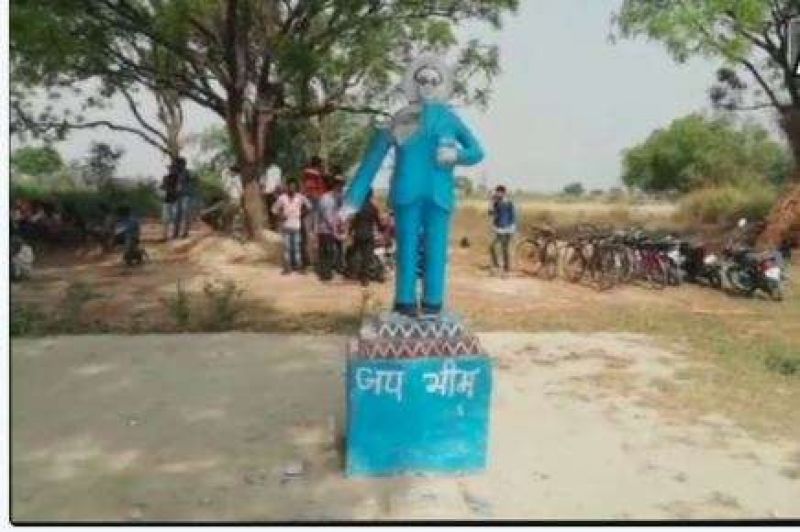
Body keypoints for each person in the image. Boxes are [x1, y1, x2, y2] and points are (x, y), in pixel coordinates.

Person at [272, 180, 311, 275]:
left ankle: (298, 267)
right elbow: (273, 209)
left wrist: (302, 214)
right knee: (287, 248)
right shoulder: (282, 198)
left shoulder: (300, 197)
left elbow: (309, 206)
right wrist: (280, 215)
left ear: (296, 188)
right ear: (287, 187)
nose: (291, 188)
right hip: (286, 226)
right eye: (290, 186)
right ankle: (287, 268)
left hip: (296, 226)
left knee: (297, 247)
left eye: (293, 186)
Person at [349, 189, 385, 286]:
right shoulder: (373, 208)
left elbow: (354, 222)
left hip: (358, 234)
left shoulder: (358, 207)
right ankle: (364, 279)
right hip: (368, 235)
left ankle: (353, 273)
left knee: (355, 254)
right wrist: (382, 229)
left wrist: (350, 231)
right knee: (366, 257)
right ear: (370, 196)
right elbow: (378, 223)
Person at [316, 174, 345, 281]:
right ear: (335, 185)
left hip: (334, 229)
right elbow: (328, 218)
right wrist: (336, 232)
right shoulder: (326, 199)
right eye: (340, 185)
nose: (341, 188)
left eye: (342, 185)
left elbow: (341, 214)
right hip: (325, 230)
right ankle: (325, 274)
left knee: (335, 251)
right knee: (327, 252)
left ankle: (336, 269)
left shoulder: (339, 198)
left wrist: (342, 227)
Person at [300, 155, 326, 267]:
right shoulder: (316, 176)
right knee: (315, 232)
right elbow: (315, 191)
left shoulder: (306, 175)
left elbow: (304, 190)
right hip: (315, 204)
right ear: (318, 164)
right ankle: (314, 259)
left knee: (308, 232)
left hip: (308, 205)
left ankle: (308, 259)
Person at [489, 185, 516, 276]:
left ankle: (506, 269)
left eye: (499, 192)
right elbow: (491, 213)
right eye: (497, 192)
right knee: (492, 247)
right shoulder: (496, 203)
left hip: (507, 229)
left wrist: (512, 228)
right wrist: (491, 202)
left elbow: (513, 216)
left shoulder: (509, 203)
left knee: (504, 249)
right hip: (499, 228)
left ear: (503, 193)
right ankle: (497, 265)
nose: (497, 193)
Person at [173, 157, 196, 239]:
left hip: (186, 196)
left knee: (185, 214)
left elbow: (192, 182)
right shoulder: (177, 173)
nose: (176, 166)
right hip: (179, 196)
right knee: (177, 215)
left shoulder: (187, 173)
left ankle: (184, 233)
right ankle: (176, 233)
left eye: (178, 164)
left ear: (182, 164)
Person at [159, 163, 180, 240]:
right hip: (167, 199)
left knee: (174, 218)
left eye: (173, 169)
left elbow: (178, 188)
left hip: (175, 200)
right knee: (166, 219)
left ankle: (173, 234)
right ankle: (165, 235)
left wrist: (169, 189)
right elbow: (162, 187)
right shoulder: (166, 178)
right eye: (170, 169)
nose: (171, 170)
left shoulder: (178, 178)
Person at [220, 165, 244, 232]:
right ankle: (231, 229)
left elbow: (240, 190)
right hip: (233, 198)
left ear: (234, 172)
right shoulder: (233, 178)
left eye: (231, 171)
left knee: (229, 214)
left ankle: (232, 229)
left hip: (234, 198)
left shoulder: (235, 179)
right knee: (231, 214)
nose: (230, 173)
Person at [262, 162, 283, 231]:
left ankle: (275, 226)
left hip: (273, 192)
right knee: (269, 210)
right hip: (267, 192)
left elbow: (278, 182)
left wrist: (277, 192)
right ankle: (272, 226)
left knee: (273, 210)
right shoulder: (265, 169)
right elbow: (263, 181)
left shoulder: (276, 169)